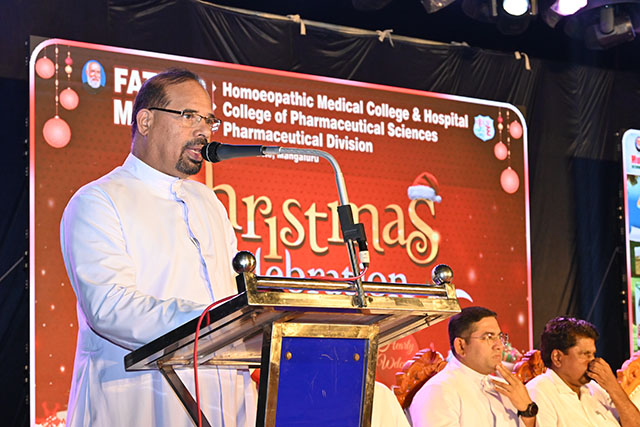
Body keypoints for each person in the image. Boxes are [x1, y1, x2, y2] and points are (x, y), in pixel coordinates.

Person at [60, 68, 254, 427]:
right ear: (145, 121)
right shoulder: (98, 200)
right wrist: (213, 322)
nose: (203, 131)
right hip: (138, 401)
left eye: (209, 120)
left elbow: (231, 298)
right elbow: (110, 307)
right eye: (189, 116)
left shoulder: (209, 202)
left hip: (225, 403)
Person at [408, 306, 538, 426]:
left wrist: (527, 411)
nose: (499, 345)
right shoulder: (438, 392)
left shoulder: (506, 389)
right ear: (461, 346)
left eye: (500, 337)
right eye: (488, 337)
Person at [526, 317, 640, 426]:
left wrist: (614, 388)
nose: (593, 362)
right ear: (557, 358)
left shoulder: (595, 389)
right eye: (585, 354)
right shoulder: (539, 392)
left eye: (593, 354)